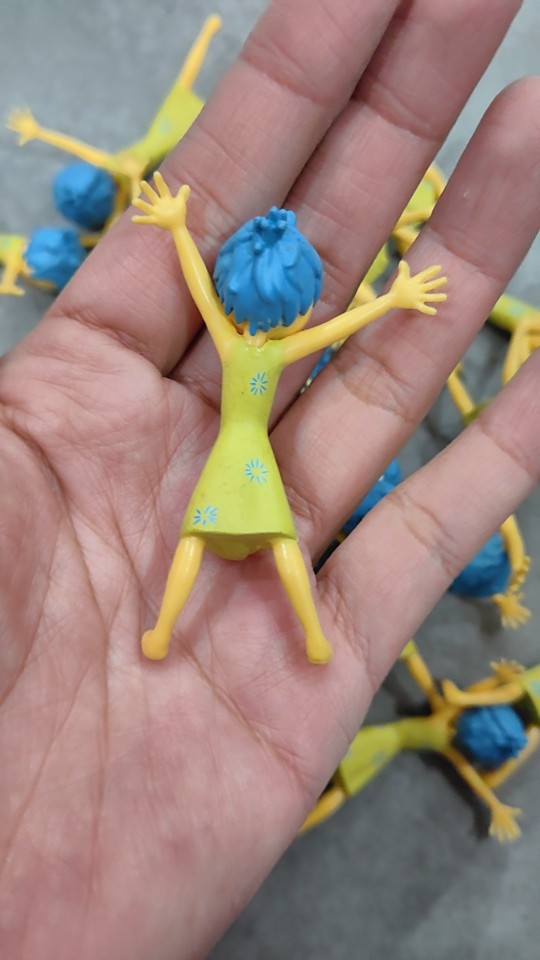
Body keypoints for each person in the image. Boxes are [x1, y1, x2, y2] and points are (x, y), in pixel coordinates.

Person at [0, 1, 538, 958]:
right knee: (261, 543)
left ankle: (193, 625)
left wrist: (390, 296)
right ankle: (251, 627)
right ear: (284, 297)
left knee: (225, 542)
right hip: (239, 458)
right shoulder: (270, 346)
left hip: (236, 458)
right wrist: (384, 295)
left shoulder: (253, 343)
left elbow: (286, 314)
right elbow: (310, 320)